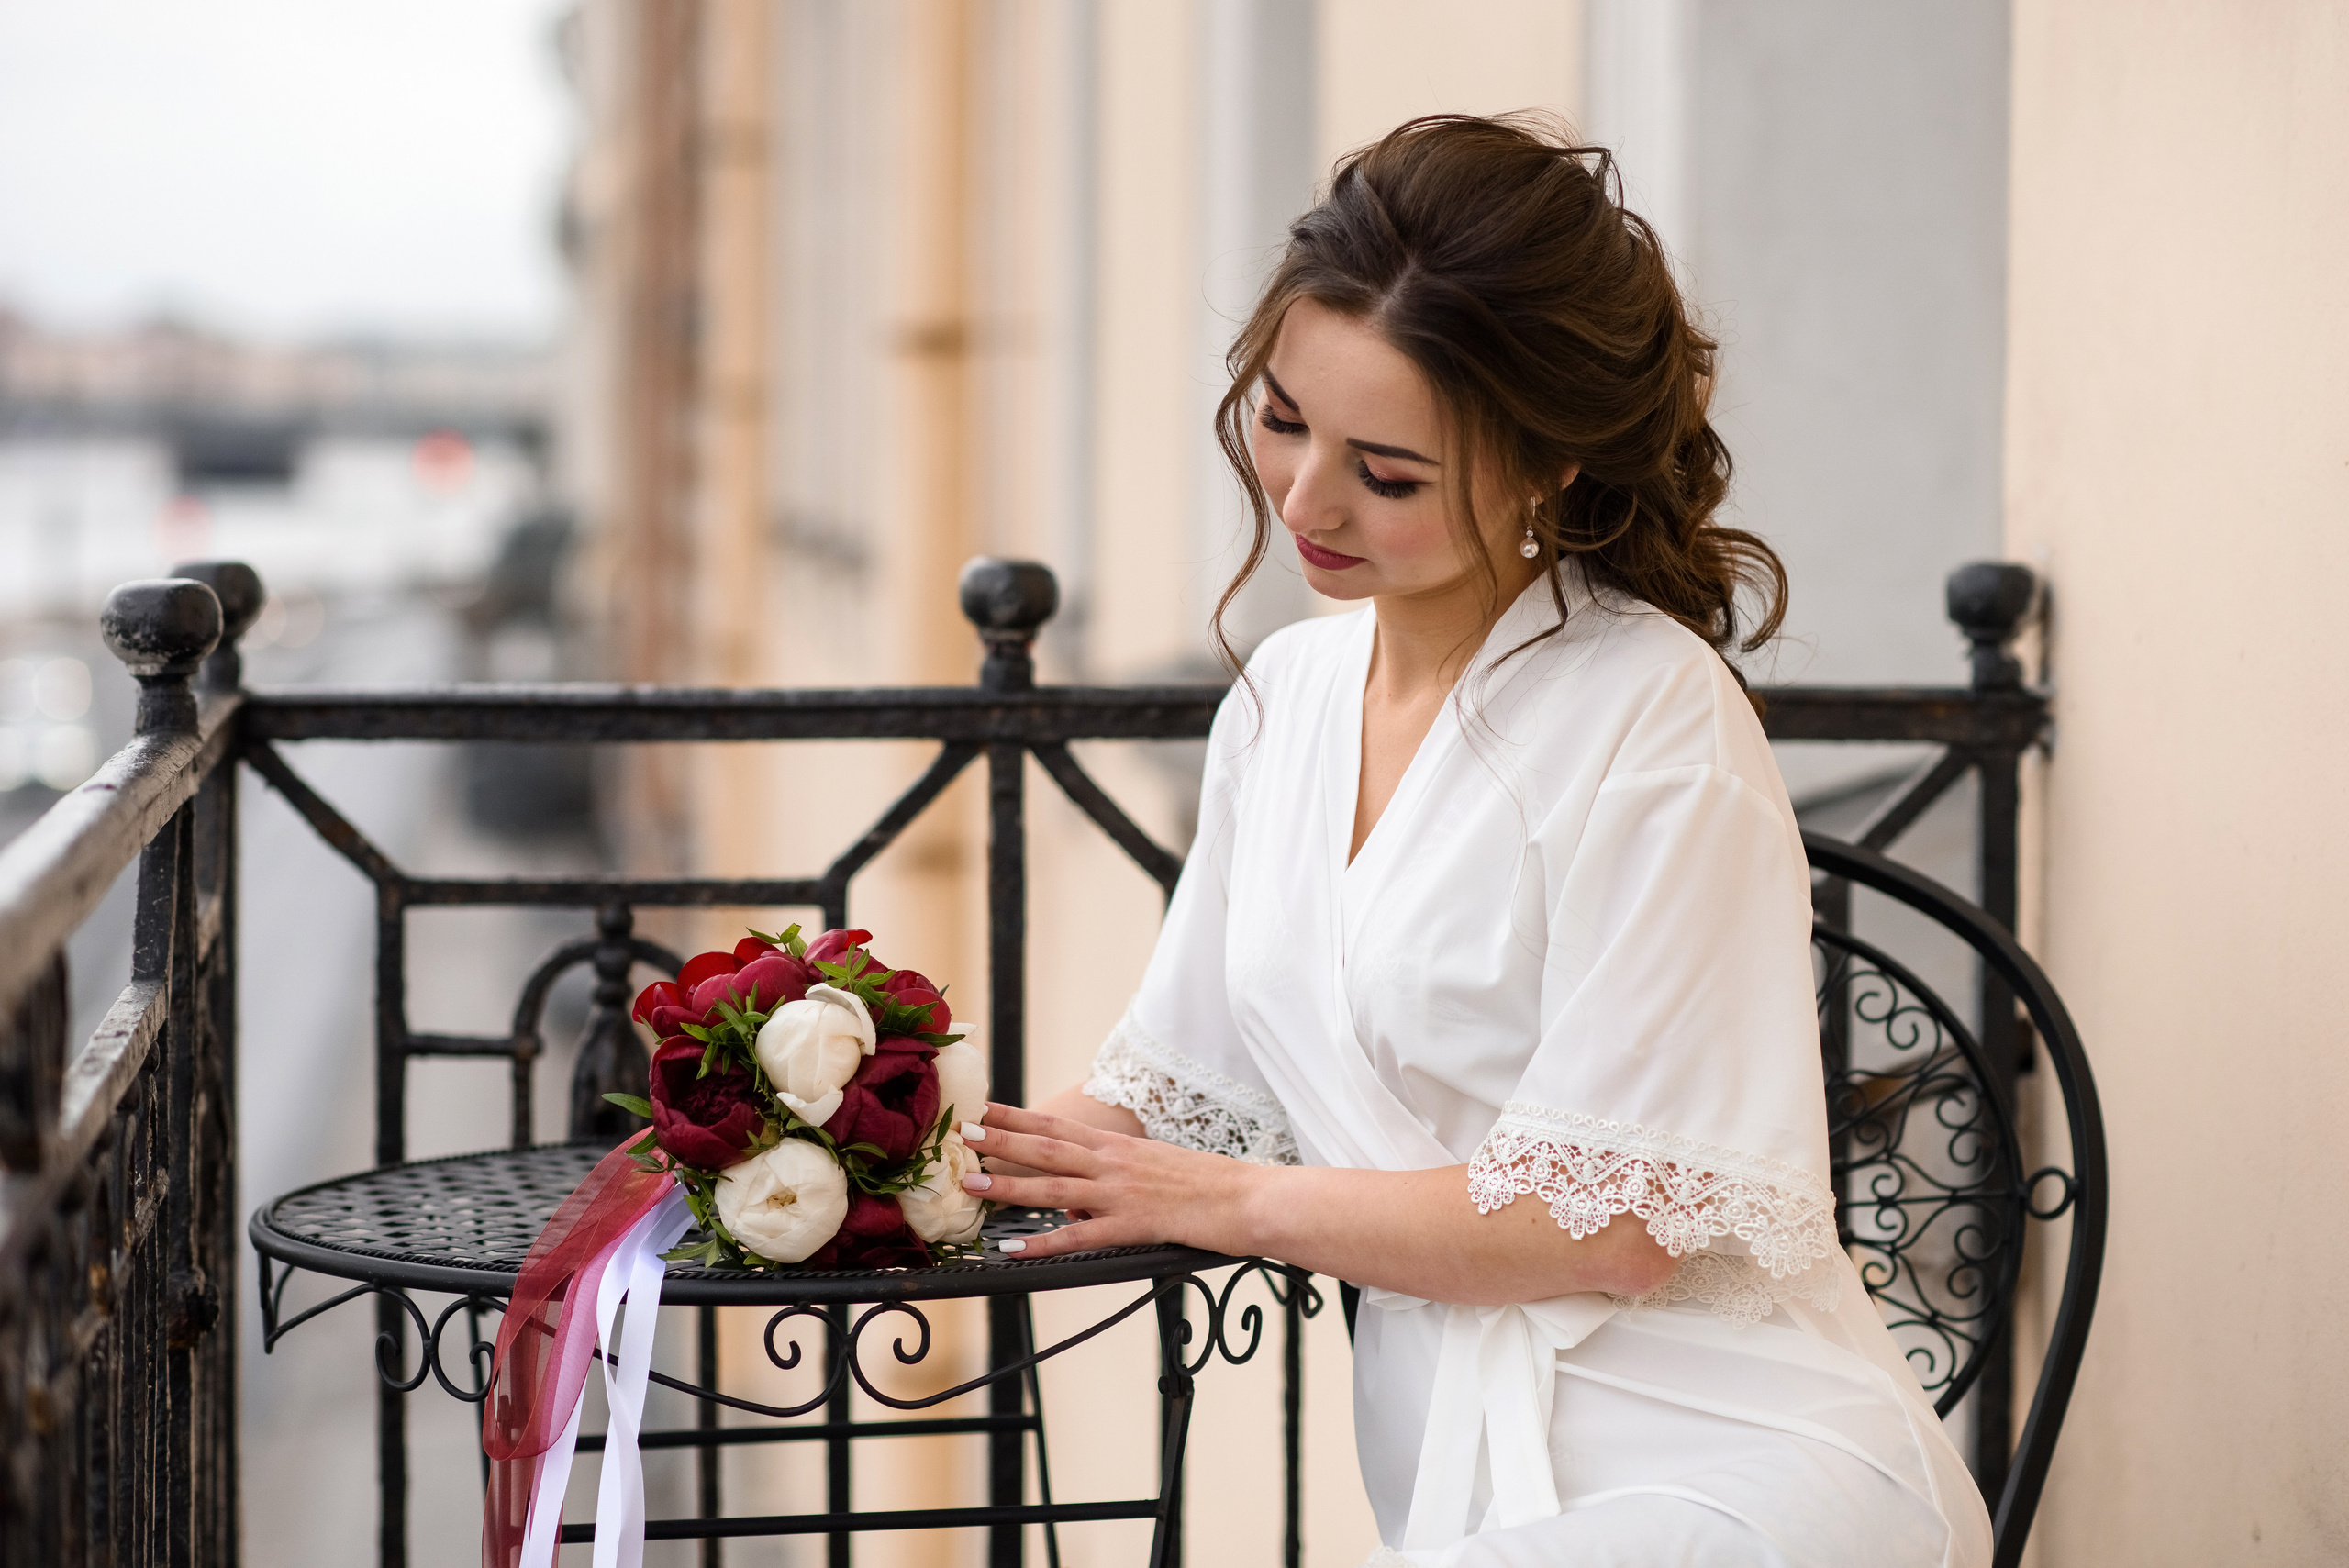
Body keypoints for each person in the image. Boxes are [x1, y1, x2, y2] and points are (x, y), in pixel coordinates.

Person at [957, 115, 1993, 1568]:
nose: (1307, 502)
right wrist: (865, 1165)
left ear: (1549, 470)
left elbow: (1605, 1229)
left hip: (1738, 1478)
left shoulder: (1653, 716)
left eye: (1387, 473)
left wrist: (1239, 1206)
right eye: (1283, 418)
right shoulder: (1287, 706)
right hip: (1466, 1495)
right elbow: (1170, 1098)